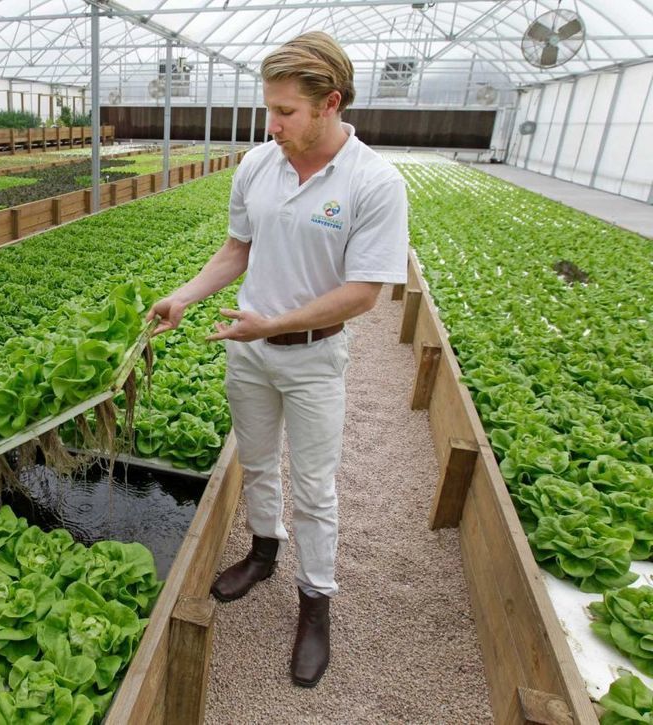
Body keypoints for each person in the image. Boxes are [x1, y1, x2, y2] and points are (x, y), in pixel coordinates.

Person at [146, 31, 409, 688]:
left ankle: (315, 603)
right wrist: (183, 296)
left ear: (331, 103)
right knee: (258, 462)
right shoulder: (259, 165)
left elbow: (364, 293)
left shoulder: (372, 182)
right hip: (250, 349)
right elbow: (237, 250)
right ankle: (263, 551)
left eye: (287, 111)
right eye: (270, 108)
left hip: (315, 358)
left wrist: (278, 322)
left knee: (315, 487)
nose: (273, 124)